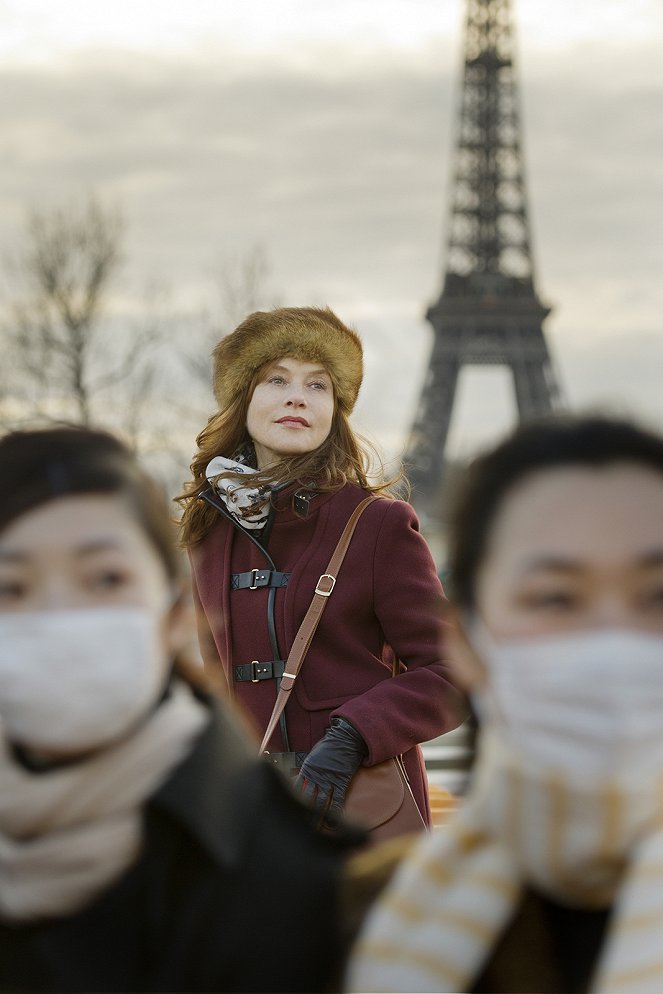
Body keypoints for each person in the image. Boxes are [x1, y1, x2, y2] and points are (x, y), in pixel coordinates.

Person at [0, 424, 364, 994]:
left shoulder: (296, 883)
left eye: (105, 579)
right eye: (10, 588)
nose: (60, 618)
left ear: (173, 616)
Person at [347, 413, 663, 994]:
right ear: (466, 642)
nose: (611, 638)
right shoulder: (326, 932)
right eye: (555, 598)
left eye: (659, 595)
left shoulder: (369, 933)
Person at [177, 306, 462, 830]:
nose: (296, 396)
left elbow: (456, 672)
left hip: (362, 815)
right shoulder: (209, 533)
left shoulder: (378, 525)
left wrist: (354, 734)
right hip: (254, 820)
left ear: (334, 409)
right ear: (244, 401)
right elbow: (214, 688)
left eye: (318, 385)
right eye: (275, 379)